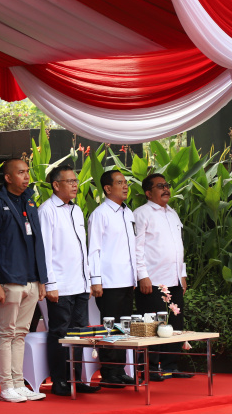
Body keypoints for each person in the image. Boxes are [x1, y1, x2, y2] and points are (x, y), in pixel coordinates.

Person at [0, 158, 48, 403]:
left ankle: (19, 383)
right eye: (20, 172)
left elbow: (37, 243)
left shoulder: (30, 201)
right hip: (9, 280)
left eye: (27, 172)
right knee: (7, 333)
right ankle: (6, 385)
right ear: (8, 177)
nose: (26, 176)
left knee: (21, 334)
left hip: (31, 280)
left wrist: (42, 279)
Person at [38, 165, 101, 396]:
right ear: (56, 185)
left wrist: (90, 280)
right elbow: (44, 250)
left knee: (78, 333)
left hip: (80, 284)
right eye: (69, 181)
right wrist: (50, 283)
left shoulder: (76, 210)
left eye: (76, 181)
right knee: (60, 333)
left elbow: (82, 249)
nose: (75, 185)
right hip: (61, 284)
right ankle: (60, 380)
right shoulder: (47, 211)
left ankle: (76, 378)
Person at [134, 173, 192, 380]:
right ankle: (149, 368)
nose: (166, 189)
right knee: (152, 325)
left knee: (175, 323)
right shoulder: (141, 214)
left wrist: (182, 274)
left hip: (174, 279)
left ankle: (170, 365)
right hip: (153, 279)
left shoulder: (172, 213)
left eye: (167, 185)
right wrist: (142, 276)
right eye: (160, 186)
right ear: (148, 193)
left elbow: (179, 246)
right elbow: (137, 247)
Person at [88, 170, 138, 388]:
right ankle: (109, 372)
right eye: (120, 183)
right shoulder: (100, 214)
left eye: (126, 182)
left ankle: (120, 369)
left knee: (123, 327)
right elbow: (94, 249)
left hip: (127, 279)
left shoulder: (128, 213)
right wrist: (96, 279)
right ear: (108, 189)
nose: (125, 186)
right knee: (110, 327)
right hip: (109, 281)